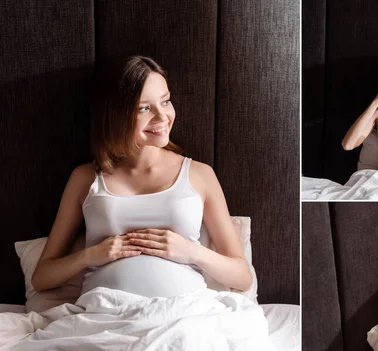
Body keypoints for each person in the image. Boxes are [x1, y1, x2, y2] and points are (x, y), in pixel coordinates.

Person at [31, 55, 252, 298]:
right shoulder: (86, 178)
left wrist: (190, 252)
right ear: (116, 115)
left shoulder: (200, 175)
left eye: (165, 101)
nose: (162, 117)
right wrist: (90, 255)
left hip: (184, 315)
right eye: (144, 108)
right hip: (105, 316)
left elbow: (242, 277)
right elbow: (42, 278)